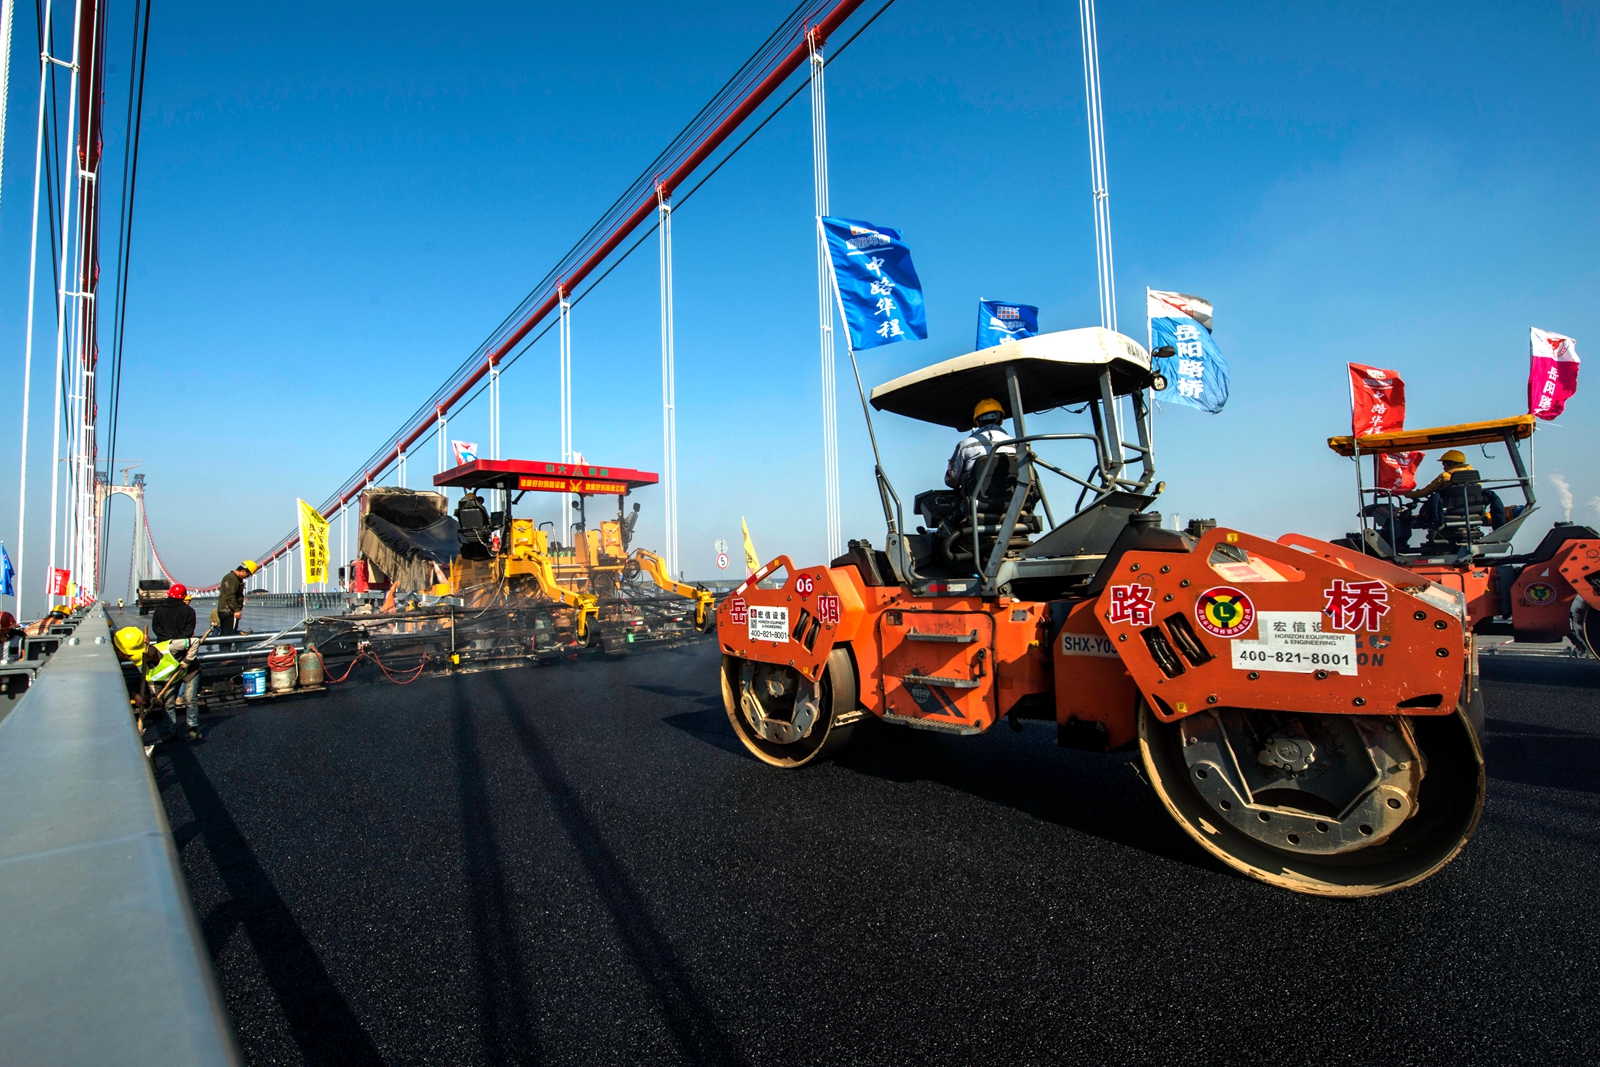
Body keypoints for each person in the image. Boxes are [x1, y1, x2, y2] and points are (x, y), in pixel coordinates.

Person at [113, 625, 204, 742]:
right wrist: (154, 698)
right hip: (172, 678)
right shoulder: (143, 666)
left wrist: (187, 660)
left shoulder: (169, 647)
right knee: (167, 704)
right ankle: (171, 732)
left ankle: (193, 728)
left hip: (190, 671)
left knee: (189, 699)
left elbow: (195, 641)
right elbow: (152, 682)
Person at [1404, 450, 1482, 539]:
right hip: (1473, 510)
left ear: (1451, 463)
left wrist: (1408, 494)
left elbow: (1426, 491)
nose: (1443, 468)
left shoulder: (1445, 476)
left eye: (1444, 465)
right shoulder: (1474, 476)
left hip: (1449, 511)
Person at [944, 397, 1015, 494]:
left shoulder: (966, 444)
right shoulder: (1016, 444)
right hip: (1014, 499)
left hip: (976, 503)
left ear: (977, 422)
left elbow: (952, 480)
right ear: (1001, 420)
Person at [216, 560, 257, 636]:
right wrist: (236, 610)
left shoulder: (234, 578)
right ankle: (226, 648)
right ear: (243, 571)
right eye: (248, 575)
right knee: (228, 635)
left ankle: (227, 647)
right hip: (228, 611)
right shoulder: (232, 579)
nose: (247, 577)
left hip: (228, 610)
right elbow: (230, 596)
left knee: (228, 633)